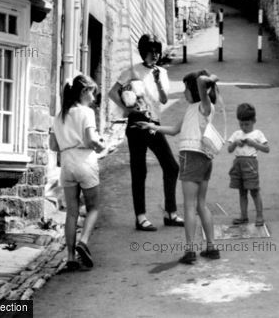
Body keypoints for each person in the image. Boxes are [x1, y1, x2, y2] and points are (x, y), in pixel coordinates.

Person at [139, 70, 219, 264]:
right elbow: (175, 130)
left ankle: (190, 250)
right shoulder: (193, 109)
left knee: (190, 206)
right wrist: (153, 126)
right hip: (204, 159)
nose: (183, 92)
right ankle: (211, 247)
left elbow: (201, 81)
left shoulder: (205, 106)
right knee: (200, 204)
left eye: (185, 88)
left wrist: (210, 80)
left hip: (192, 158)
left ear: (196, 90)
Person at [108, 34, 183, 232]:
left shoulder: (162, 73)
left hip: (154, 123)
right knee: (140, 170)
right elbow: (112, 92)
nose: (155, 55)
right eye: (151, 51)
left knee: (171, 167)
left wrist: (158, 81)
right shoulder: (132, 71)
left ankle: (169, 213)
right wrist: (128, 109)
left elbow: (164, 100)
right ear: (143, 52)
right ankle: (142, 217)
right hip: (137, 123)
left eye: (157, 51)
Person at [54, 75, 105, 271]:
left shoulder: (60, 116)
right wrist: (100, 145)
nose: (93, 98)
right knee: (93, 207)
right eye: (92, 93)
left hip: (67, 163)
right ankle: (83, 242)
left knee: (71, 213)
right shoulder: (86, 112)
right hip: (85, 161)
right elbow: (91, 139)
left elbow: (52, 145)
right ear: (84, 92)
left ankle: (70, 257)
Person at [227, 103, 270, 227]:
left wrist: (254, 144)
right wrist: (235, 143)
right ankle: (244, 216)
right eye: (241, 124)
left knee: (254, 191)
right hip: (238, 164)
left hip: (250, 164)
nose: (244, 127)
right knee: (242, 191)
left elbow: (267, 149)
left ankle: (260, 215)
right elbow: (229, 149)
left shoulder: (257, 134)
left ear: (254, 121)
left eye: (247, 124)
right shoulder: (236, 134)